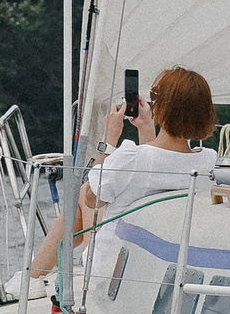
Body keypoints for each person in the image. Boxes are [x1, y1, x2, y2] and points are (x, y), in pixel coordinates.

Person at [27, 67, 219, 279]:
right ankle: (32, 276)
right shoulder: (208, 162)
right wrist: (146, 128)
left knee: (82, 194)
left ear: (161, 109)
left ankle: (31, 277)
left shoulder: (131, 157)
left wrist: (109, 138)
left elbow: (93, 198)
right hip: (163, 269)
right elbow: (156, 166)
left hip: (113, 270)